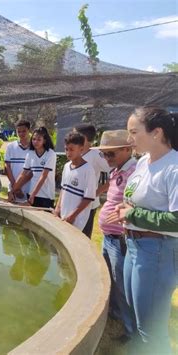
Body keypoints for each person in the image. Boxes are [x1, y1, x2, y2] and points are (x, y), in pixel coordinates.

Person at [106, 107, 178, 353]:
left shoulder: (174, 168)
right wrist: (128, 208)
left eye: (134, 132)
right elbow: (135, 196)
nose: (129, 139)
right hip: (135, 247)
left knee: (151, 329)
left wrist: (134, 214)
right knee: (138, 321)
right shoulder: (143, 162)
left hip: (156, 252)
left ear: (157, 133)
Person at [93, 130, 136, 340]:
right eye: (104, 154)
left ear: (127, 149)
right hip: (108, 237)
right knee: (109, 279)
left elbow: (134, 204)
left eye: (111, 154)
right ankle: (115, 313)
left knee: (122, 285)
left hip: (120, 239)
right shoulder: (117, 170)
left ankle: (130, 329)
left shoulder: (135, 172)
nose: (107, 159)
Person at [74, 124, 111, 238]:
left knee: (83, 238)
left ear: (83, 137)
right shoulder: (75, 152)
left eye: (75, 134)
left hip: (88, 205)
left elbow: (115, 173)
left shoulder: (96, 155)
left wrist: (96, 192)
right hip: (73, 202)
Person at [54, 132, 96, 231]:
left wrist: (72, 216)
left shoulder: (88, 170)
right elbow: (63, 190)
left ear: (81, 149)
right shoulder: (66, 166)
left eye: (72, 149)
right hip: (63, 215)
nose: (68, 152)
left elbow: (88, 198)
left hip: (77, 220)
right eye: (66, 149)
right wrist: (57, 208)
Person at [13, 127, 56, 208]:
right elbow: (23, 174)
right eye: (34, 139)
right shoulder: (30, 154)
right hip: (32, 195)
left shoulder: (51, 154)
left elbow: (43, 176)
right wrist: (12, 191)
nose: (35, 142)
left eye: (39, 139)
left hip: (46, 196)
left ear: (45, 140)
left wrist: (32, 195)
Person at [6, 119, 31, 202]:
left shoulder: (34, 148)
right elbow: (7, 166)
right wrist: (15, 187)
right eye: (19, 131)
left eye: (24, 131)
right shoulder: (10, 146)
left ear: (29, 130)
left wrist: (19, 186)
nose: (21, 134)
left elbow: (31, 172)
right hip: (13, 189)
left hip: (28, 189)